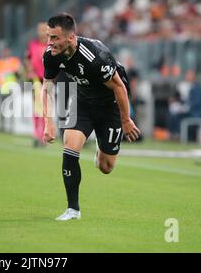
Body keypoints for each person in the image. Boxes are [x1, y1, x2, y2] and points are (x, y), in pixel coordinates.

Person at [41, 13, 141, 221]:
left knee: (106, 167)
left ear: (70, 37)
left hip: (110, 106)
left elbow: (119, 87)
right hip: (83, 102)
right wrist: (48, 122)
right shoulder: (51, 55)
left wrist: (126, 120)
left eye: (54, 38)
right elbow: (47, 87)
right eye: (49, 37)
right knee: (69, 145)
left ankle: (101, 149)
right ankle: (73, 209)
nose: (50, 43)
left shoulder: (96, 57)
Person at [25, 22, 48, 147]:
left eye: (44, 29)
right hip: (35, 79)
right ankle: (37, 133)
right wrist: (29, 71)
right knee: (37, 107)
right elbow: (28, 59)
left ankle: (41, 134)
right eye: (39, 29)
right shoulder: (32, 44)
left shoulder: (51, 45)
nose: (41, 32)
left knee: (45, 108)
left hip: (47, 80)